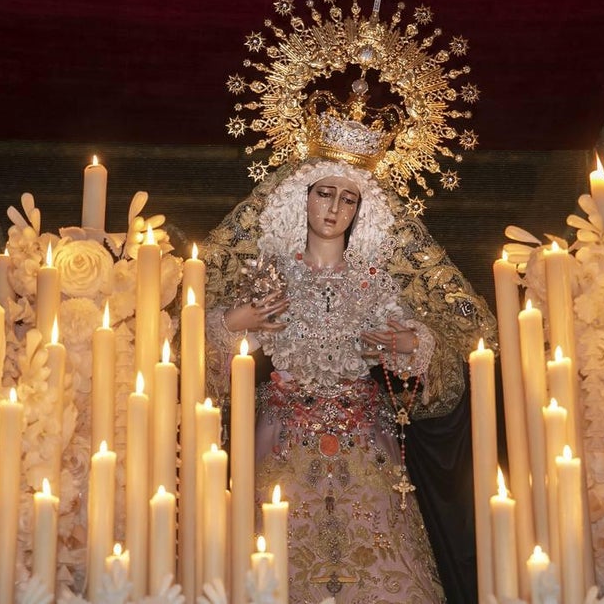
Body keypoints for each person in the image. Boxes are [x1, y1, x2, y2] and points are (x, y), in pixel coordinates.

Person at [203, 155, 495, 604]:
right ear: (302, 198)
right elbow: (205, 351)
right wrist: (233, 322)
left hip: (364, 438)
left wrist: (411, 344)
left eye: (348, 199)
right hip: (283, 434)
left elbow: (437, 353)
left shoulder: (373, 281)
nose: (335, 208)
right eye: (324, 193)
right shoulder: (272, 275)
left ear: (361, 209)